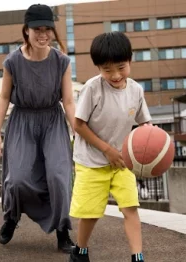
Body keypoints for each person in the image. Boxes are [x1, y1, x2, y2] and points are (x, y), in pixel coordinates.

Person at [0, 4, 75, 254]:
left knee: (59, 177)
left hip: (52, 121)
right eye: (36, 29)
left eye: (47, 29)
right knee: (16, 179)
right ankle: (12, 216)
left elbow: (68, 101)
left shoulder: (61, 61)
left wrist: (78, 129)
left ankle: (62, 230)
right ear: (26, 30)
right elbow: (4, 98)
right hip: (22, 122)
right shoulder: (13, 61)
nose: (43, 34)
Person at [68, 32, 152, 262]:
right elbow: (79, 124)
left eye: (121, 67)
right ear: (97, 68)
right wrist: (107, 149)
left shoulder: (136, 90)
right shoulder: (92, 89)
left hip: (121, 161)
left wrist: (154, 144)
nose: (115, 75)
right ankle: (80, 250)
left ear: (130, 60)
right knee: (91, 214)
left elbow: (146, 123)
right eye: (107, 70)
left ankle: (138, 257)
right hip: (91, 161)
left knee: (130, 208)